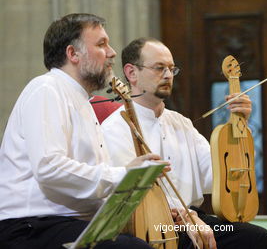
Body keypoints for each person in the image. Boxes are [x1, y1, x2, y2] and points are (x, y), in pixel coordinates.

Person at [0, 13, 161, 249]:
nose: (112, 52)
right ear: (72, 54)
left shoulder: (81, 100)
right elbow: (49, 167)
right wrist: (122, 175)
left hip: (66, 223)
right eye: (101, 44)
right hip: (30, 226)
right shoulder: (46, 89)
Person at [101, 37, 267, 249]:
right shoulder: (114, 128)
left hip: (196, 218)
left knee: (255, 237)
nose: (168, 75)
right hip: (153, 227)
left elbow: (218, 177)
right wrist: (185, 216)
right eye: (159, 68)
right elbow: (129, 201)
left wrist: (240, 127)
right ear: (131, 73)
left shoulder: (181, 123)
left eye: (171, 69)